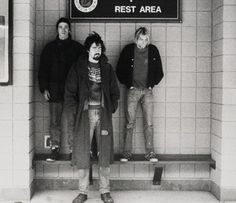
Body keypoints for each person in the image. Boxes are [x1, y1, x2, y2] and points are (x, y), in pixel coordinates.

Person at [64, 32, 120, 203]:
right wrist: (76, 112)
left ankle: (105, 191)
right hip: (85, 116)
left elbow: (114, 92)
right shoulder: (78, 68)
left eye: (99, 47)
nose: (97, 49)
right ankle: (83, 192)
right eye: (94, 47)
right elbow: (69, 93)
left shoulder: (107, 68)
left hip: (102, 115)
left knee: (103, 153)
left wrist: (112, 107)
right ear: (88, 49)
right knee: (82, 153)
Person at [38, 17, 84, 161]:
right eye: (60, 27)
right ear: (57, 30)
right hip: (54, 90)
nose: (63, 29)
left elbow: (83, 70)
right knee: (54, 122)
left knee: (72, 121)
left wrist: (81, 89)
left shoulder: (77, 48)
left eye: (65, 27)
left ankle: (72, 150)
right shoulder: (49, 48)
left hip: (72, 92)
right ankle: (54, 149)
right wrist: (44, 88)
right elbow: (43, 70)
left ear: (69, 30)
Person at [116, 27, 164, 163]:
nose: (143, 42)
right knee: (129, 123)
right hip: (132, 90)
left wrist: (151, 85)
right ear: (136, 38)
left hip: (147, 91)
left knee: (148, 123)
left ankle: (150, 153)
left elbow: (160, 71)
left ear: (148, 40)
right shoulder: (128, 50)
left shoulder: (153, 50)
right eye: (140, 39)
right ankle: (126, 154)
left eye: (145, 39)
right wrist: (128, 84)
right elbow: (119, 69)